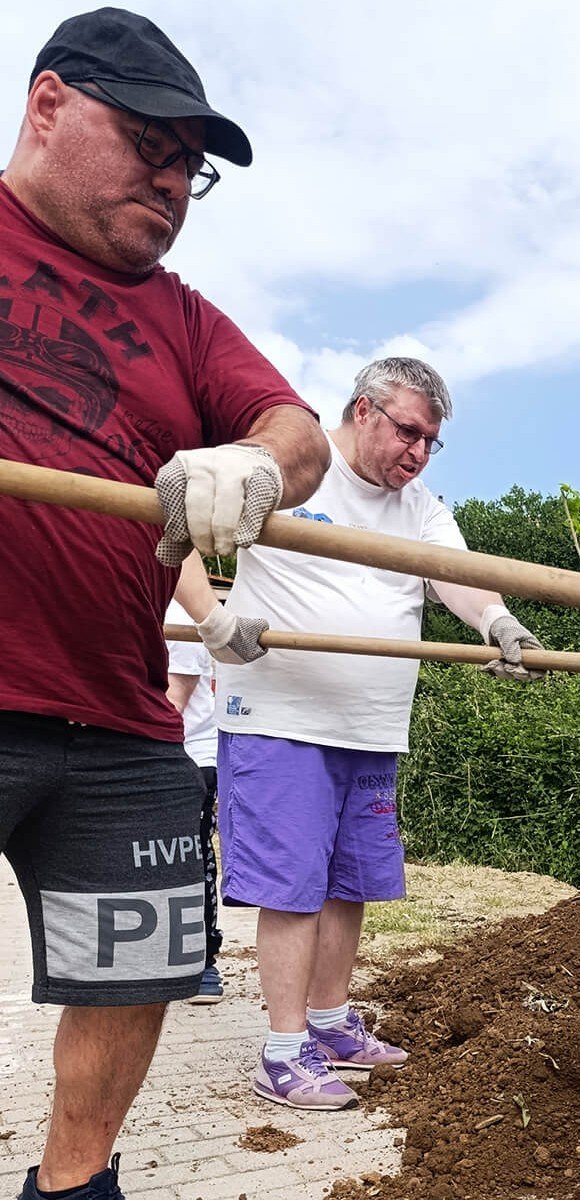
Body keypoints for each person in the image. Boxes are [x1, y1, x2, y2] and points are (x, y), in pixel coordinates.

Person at [0, 9, 330, 1200]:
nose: (174, 179)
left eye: (192, 166)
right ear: (47, 105)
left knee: (129, 968)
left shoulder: (183, 317)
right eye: (148, 141)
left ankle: (75, 1184)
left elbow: (296, 433)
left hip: (121, 717)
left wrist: (254, 466)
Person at [207, 357, 543, 1111]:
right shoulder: (296, 470)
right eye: (408, 432)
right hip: (282, 720)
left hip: (372, 729)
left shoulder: (419, 504)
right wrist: (212, 621)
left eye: (431, 441)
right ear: (364, 411)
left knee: (346, 884)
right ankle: (282, 1053)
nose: (418, 452)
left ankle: (327, 1024)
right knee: (293, 890)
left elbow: (453, 572)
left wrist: (497, 621)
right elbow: (182, 527)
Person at [164, 594, 223, 1004]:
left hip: (189, 756)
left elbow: (173, 701)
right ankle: (155, 960)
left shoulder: (175, 612)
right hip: (138, 751)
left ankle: (203, 961)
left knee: (191, 859)